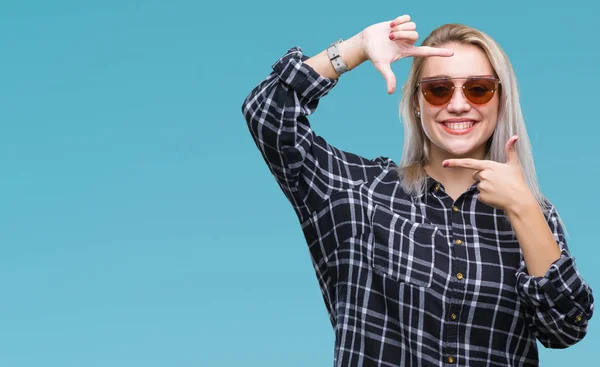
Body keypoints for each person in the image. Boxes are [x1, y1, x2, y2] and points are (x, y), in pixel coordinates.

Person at [241, 14, 594, 367]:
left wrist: (522, 208)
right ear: (416, 102)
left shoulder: (535, 214)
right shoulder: (359, 192)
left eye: (478, 89)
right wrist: (357, 48)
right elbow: (267, 112)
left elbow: (565, 328)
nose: (458, 104)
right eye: (438, 89)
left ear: (500, 101)